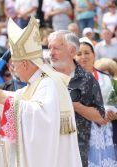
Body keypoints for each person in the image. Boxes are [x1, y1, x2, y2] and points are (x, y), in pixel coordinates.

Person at [0, 17, 82, 167]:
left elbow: (41, 118)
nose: (13, 68)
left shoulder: (48, 84)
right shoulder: (38, 82)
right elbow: (19, 98)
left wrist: (4, 99)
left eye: (14, 64)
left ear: (24, 63)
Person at [48, 30, 106, 167]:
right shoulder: (44, 77)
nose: (51, 53)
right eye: (50, 47)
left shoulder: (88, 79)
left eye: (56, 48)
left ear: (72, 50)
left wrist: (74, 105)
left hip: (77, 151)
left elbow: (100, 116)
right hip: (48, 150)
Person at [75, 37, 117, 166]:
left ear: (94, 55)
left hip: (106, 131)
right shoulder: (70, 80)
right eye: (79, 53)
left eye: (87, 53)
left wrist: (113, 113)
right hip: (83, 134)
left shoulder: (107, 79)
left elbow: (114, 102)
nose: (83, 57)